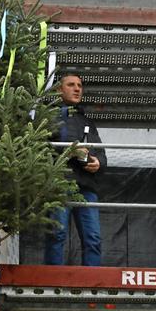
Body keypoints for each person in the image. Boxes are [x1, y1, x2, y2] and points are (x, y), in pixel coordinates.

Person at [45, 73, 107, 266]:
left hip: (86, 188)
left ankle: (92, 289)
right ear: (59, 90)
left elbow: (102, 154)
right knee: (57, 235)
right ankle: (52, 284)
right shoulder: (48, 117)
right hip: (59, 185)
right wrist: (68, 149)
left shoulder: (87, 122)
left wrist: (98, 163)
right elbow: (40, 147)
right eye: (71, 85)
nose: (77, 88)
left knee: (93, 239)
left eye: (80, 85)